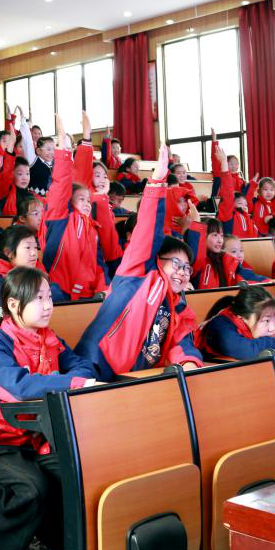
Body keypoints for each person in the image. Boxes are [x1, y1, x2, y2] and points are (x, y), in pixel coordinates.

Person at [0, 267, 97, 550]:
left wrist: (74, 377)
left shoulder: (50, 338)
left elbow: (82, 366)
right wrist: (71, 382)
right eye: (38, 299)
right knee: (33, 487)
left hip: (32, 440)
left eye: (49, 297)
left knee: (77, 472)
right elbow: (20, 388)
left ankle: (35, 533)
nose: (48, 305)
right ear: (13, 304)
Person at [73, 145, 205, 380]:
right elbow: (147, 231)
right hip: (96, 365)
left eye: (187, 268)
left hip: (132, 378)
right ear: (157, 260)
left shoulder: (180, 308)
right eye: (176, 264)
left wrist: (189, 362)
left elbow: (182, 342)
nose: (182, 272)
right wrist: (157, 182)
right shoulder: (137, 272)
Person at [41, 115, 119, 301]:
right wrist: (63, 148)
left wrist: (103, 288)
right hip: (59, 291)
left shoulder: (92, 228)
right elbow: (62, 185)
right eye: (81, 199)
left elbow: (99, 264)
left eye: (88, 200)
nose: (87, 203)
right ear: (69, 202)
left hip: (87, 294)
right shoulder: (60, 218)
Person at [199, 287, 275, 360]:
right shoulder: (220, 327)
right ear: (242, 317)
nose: (272, 328)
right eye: (266, 320)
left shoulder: (263, 324)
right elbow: (248, 351)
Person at [0, 224, 66, 308]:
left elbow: (57, 296)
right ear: (8, 253)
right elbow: (8, 307)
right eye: (28, 248)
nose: (34, 253)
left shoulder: (36, 267)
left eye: (35, 247)